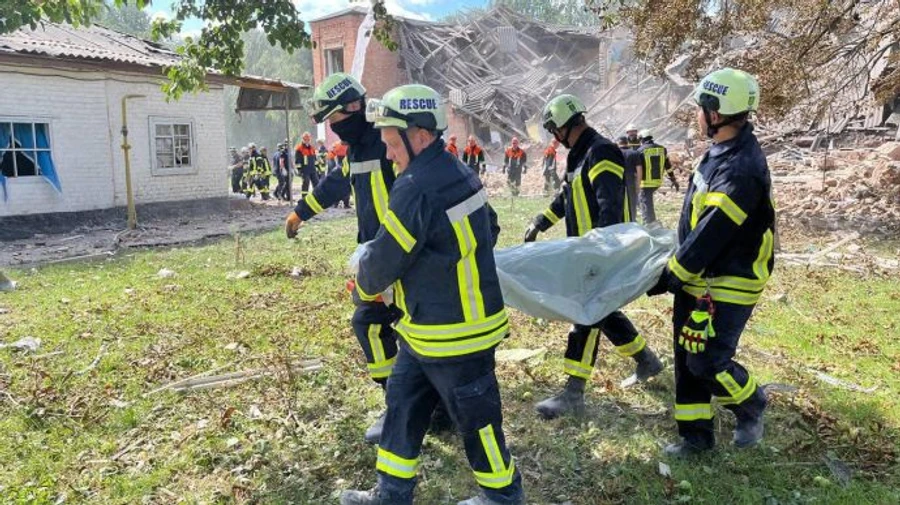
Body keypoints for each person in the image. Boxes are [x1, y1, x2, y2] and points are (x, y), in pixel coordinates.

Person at [339, 83, 524, 505]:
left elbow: (385, 259)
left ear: (418, 134)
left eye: (391, 143)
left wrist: (365, 284)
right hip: (426, 329)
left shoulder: (414, 187)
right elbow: (489, 230)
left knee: (478, 421)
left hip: (456, 334)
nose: (388, 153)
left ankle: (503, 496)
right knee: (401, 406)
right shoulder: (459, 171)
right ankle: (391, 494)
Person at [284, 73, 433, 444]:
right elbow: (337, 182)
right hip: (381, 257)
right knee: (375, 324)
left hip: (405, 257)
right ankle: (407, 402)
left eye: (334, 121)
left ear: (352, 108)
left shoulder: (387, 142)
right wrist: (301, 211)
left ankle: (411, 406)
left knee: (392, 326)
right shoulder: (357, 150)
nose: (333, 130)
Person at [647, 68, 772, 457]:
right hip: (700, 277)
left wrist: (670, 276)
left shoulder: (740, 169)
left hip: (730, 280)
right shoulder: (721, 150)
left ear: (715, 113)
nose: (697, 115)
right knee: (688, 358)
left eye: (701, 108)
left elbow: (712, 233)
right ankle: (696, 439)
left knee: (708, 362)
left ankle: (751, 403)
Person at [523, 94, 664, 419]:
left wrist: (602, 251)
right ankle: (646, 360)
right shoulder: (578, 155)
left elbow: (609, 203)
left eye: (552, 130)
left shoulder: (600, 150)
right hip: (588, 249)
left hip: (599, 251)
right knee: (602, 311)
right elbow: (566, 198)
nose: (553, 138)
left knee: (586, 315)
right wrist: (540, 222)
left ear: (561, 125)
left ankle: (573, 393)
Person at [635, 129, 680, 224]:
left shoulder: (640, 151)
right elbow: (668, 166)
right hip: (657, 182)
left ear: (641, 139)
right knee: (647, 202)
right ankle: (652, 221)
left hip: (645, 183)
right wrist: (673, 179)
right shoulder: (662, 149)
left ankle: (648, 223)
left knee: (645, 202)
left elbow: (638, 168)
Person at [617, 136, 639, 222]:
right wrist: (638, 184)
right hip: (631, 182)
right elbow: (639, 170)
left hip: (618, 182)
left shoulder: (614, 153)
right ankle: (632, 220)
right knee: (632, 203)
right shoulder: (634, 153)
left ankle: (622, 221)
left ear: (619, 143)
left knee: (620, 203)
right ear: (627, 143)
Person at [295, 132, 320, 196]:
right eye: (306, 139)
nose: (307, 141)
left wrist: (317, 167)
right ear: (303, 139)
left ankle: (317, 197)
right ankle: (304, 198)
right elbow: (297, 161)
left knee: (317, 183)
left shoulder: (312, 148)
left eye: (308, 140)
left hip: (312, 169)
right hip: (305, 170)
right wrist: (299, 170)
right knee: (306, 183)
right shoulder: (299, 148)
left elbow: (315, 159)